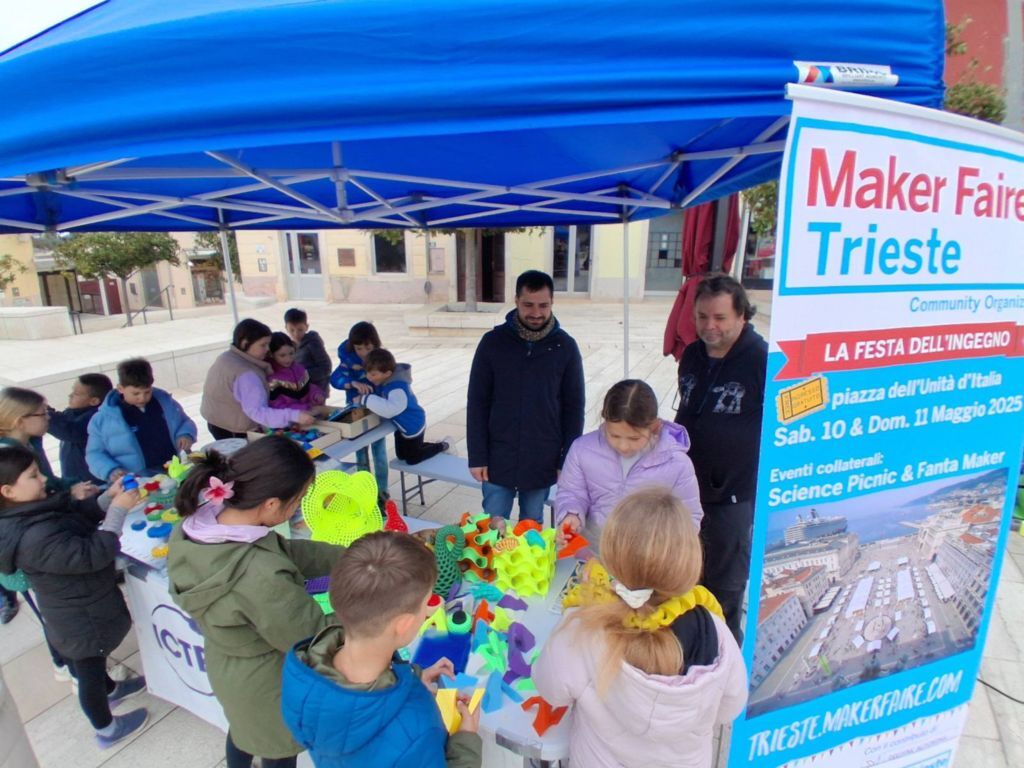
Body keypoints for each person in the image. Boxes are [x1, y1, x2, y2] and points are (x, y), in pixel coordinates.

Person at [533, 488, 747, 768]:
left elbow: (551, 688)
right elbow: (731, 706)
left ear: (612, 556)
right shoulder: (716, 631)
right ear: (689, 559)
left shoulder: (584, 628)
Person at [167, 437, 343, 768]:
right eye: (299, 500)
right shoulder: (260, 576)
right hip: (267, 684)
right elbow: (314, 636)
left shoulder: (207, 522)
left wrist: (352, 557)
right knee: (278, 747)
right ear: (273, 504)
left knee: (243, 731)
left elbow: (288, 551)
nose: (299, 509)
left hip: (230, 668)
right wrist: (373, 609)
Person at [281, 531, 482, 767]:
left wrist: (412, 676)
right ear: (403, 624)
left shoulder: (303, 672)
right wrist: (466, 739)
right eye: (425, 604)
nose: (428, 612)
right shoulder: (414, 728)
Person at [0, 444, 150, 747]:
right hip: (79, 615)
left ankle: (112, 689)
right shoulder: (32, 536)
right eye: (33, 475)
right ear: (8, 491)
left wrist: (107, 498)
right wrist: (118, 509)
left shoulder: (32, 511)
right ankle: (106, 729)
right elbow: (93, 554)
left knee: (93, 659)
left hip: (76, 607)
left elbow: (75, 517)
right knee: (88, 672)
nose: (43, 479)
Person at [674, 273, 767, 643]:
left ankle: (724, 656)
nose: (709, 325)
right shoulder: (692, 355)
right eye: (702, 316)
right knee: (684, 578)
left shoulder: (762, 361)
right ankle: (688, 648)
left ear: (742, 315)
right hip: (686, 492)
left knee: (724, 587)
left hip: (733, 497)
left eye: (720, 317)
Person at [467, 270, 584, 526]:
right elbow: (477, 403)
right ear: (516, 300)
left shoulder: (565, 347)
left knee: (531, 530)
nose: (536, 313)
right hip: (498, 456)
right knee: (492, 527)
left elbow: (574, 409)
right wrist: (477, 456)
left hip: (542, 457)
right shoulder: (493, 343)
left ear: (552, 302)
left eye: (543, 305)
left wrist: (566, 460)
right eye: (528, 305)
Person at [554, 379, 702, 551]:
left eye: (634, 438)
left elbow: (689, 516)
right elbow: (571, 492)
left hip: (647, 557)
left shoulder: (676, 464)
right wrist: (571, 514)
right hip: (594, 551)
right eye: (614, 436)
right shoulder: (583, 449)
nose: (623, 446)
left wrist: (665, 549)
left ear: (655, 427)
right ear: (604, 420)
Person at [201, 318, 315, 440]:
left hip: (216, 421)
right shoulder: (247, 374)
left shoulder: (227, 357)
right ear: (245, 343)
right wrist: (294, 416)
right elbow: (257, 411)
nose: (268, 349)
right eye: (263, 345)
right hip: (234, 429)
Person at [86, 358, 197, 483]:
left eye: (147, 392)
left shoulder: (165, 403)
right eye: (136, 394)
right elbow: (94, 454)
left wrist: (185, 434)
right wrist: (110, 470)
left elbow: (185, 421)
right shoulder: (103, 419)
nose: (142, 398)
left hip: (176, 469)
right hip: (138, 480)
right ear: (120, 388)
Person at [355, 349, 449, 465]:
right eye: (367, 373)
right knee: (401, 455)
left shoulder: (397, 388)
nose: (369, 377)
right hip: (402, 425)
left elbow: (391, 409)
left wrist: (365, 399)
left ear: (387, 373)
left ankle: (443, 445)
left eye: (373, 374)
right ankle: (422, 447)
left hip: (413, 424)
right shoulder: (386, 381)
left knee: (412, 459)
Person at [0, 386, 96, 497]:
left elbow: (48, 480)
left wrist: (73, 485)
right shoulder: (9, 458)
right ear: (20, 422)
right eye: (43, 414)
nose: (49, 417)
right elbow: (30, 498)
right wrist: (70, 493)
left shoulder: (31, 443)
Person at [330, 321, 389, 496]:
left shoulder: (380, 360)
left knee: (379, 452)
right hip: (355, 413)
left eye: (368, 348)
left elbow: (390, 377)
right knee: (360, 453)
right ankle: (364, 492)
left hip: (377, 412)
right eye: (359, 348)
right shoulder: (348, 361)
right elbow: (334, 379)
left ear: (375, 345)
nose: (363, 353)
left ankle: (382, 492)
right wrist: (352, 383)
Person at [47, 373, 113, 484]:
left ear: (94, 401)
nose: (70, 395)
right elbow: (63, 419)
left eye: (76, 394)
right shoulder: (73, 411)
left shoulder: (97, 417)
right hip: (74, 477)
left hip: (92, 481)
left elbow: (70, 431)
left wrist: (45, 415)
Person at [267, 332, 327, 412]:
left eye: (291, 353)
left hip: (309, 413)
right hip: (291, 418)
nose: (288, 359)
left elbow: (308, 387)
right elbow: (276, 405)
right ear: (271, 354)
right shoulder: (272, 377)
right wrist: (303, 408)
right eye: (282, 355)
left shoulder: (299, 368)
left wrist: (316, 395)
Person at [284, 307, 332, 394]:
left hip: (316, 391)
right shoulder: (287, 346)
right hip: (300, 390)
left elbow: (326, 368)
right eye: (292, 330)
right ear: (286, 328)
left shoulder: (313, 344)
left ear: (306, 327)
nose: (296, 334)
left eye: (300, 330)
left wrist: (303, 376)